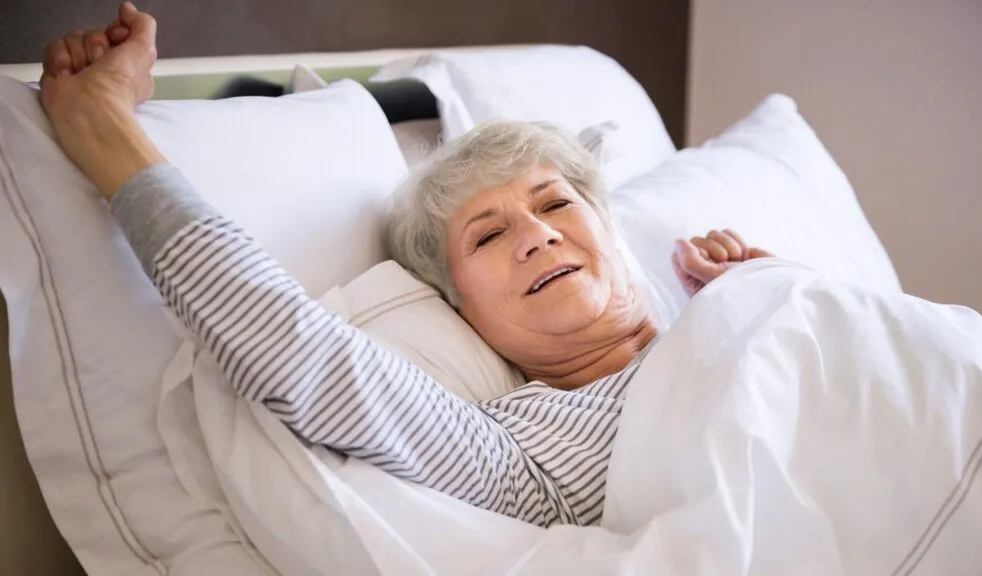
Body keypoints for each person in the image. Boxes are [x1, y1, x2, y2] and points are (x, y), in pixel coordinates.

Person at [39, 2, 774, 528]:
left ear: (606, 232)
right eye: (487, 237)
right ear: (461, 309)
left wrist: (772, 293)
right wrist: (104, 125)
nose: (535, 238)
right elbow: (295, 351)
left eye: (553, 205)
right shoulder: (525, 453)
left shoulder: (741, 304)